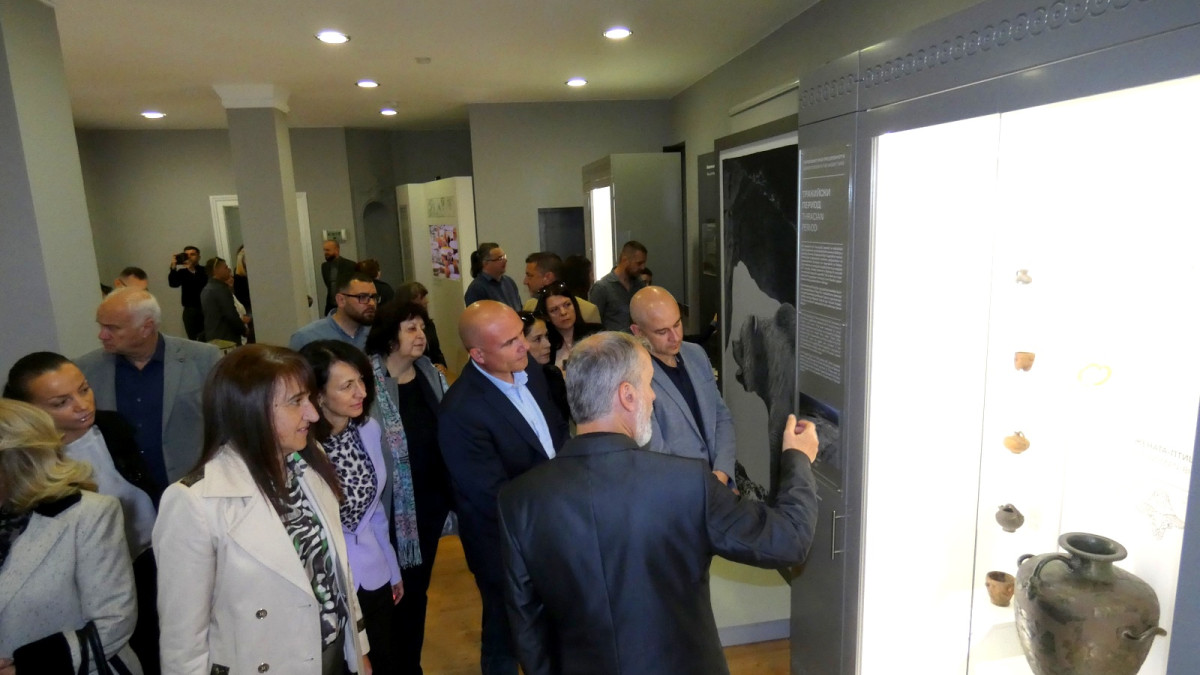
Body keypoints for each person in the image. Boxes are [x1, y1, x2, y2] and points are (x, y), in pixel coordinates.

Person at [497, 332, 820, 675]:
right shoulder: (687, 482)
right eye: (650, 384)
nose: (653, 397)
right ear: (627, 395)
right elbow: (789, 540)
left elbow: (527, 627)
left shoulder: (518, 500)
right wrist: (797, 458)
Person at [153, 344, 369, 675]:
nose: (313, 414)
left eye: (309, 399)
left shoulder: (311, 465)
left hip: (332, 657)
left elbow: (337, 572)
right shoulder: (194, 502)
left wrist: (358, 647)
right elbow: (183, 642)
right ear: (250, 411)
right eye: (296, 402)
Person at [5, 351, 162, 674]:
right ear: (28, 413)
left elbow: (141, 484)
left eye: (84, 389)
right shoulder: (31, 472)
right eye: (61, 402)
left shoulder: (113, 427)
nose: (82, 405)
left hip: (145, 556)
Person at [439, 300, 568, 675]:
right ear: (478, 354)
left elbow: (556, 433)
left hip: (553, 527)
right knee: (506, 634)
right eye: (509, 342)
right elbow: (492, 496)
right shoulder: (460, 411)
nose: (524, 345)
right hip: (505, 544)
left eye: (520, 335)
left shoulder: (531, 373)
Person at [301, 340, 404, 675]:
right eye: (347, 386)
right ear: (318, 395)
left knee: (386, 660)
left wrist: (392, 568)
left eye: (361, 380)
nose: (361, 391)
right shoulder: (301, 447)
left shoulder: (368, 429)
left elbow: (375, 511)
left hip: (373, 571)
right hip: (327, 583)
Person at [364, 301, 454, 674]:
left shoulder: (430, 374)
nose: (421, 335)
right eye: (411, 328)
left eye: (422, 327)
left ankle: (410, 666)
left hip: (428, 506)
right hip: (385, 512)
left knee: (416, 593)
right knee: (387, 599)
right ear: (389, 336)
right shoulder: (366, 382)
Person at [76, 289, 222, 486]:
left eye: (112, 328)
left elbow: (226, 426)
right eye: (101, 326)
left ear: (146, 327)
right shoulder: (86, 369)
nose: (102, 335)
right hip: (122, 492)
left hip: (190, 485)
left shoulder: (203, 359)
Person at [631, 286, 736, 486]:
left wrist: (723, 474)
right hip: (681, 493)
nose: (676, 337)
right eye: (662, 331)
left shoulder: (696, 354)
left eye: (677, 324)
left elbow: (721, 416)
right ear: (638, 332)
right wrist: (707, 490)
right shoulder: (634, 377)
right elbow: (656, 454)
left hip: (720, 485)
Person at [290, 272, 379, 351]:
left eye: (374, 297)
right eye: (362, 297)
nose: (372, 303)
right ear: (341, 300)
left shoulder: (376, 334)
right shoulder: (307, 338)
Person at [535, 282, 602, 371]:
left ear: (574, 305)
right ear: (546, 316)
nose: (563, 312)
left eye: (567, 305)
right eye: (554, 310)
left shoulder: (597, 332)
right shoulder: (545, 344)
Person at [521, 252, 601, 324]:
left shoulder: (587, 311)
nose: (525, 281)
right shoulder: (530, 306)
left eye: (529, 275)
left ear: (548, 277)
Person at [519, 311, 569, 423]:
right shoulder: (512, 383)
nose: (548, 344)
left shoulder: (552, 375)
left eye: (546, 336)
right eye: (537, 339)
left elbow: (564, 421)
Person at [589, 240, 648, 332]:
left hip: (637, 339)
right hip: (612, 340)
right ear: (625, 260)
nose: (643, 267)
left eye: (644, 263)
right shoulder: (602, 288)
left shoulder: (640, 285)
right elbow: (593, 325)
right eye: (639, 263)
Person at [395, 281, 447, 372]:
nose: (426, 301)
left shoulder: (429, 325)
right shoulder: (397, 328)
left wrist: (442, 365)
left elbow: (436, 352)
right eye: (421, 298)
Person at [200, 257, 247, 345]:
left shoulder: (206, 289)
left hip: (213, 336)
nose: (229, 269)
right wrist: (243, 330)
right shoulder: (220, 289)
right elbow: (231, 315)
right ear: (216, 270)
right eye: (225, 267)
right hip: (226, 338)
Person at [464, 243, 522, 310]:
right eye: (500, 258)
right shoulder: (476, 289)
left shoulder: (509, 282)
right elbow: (476, 315)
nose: (505, 261)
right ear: (485, 263)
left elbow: (519, 308)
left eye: (504, 257)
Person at [167, 245, 206, 340]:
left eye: (192, 254)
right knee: (194, 340)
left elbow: (201, 284)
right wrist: (173, 267)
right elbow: (173, 284)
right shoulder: (182, 272)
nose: (189, 257)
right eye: (186, 255)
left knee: (209, 338)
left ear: (199, 257)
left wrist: (191, 269)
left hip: (206, 309)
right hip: (190, 310)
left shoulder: (205, 270)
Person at [322, 239, 359, 317]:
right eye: (324, 250)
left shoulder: (350, 265)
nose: (325, 253)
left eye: (328, 250)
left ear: (336, 250)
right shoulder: (324, 266)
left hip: (346, 305)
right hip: (331, 306)